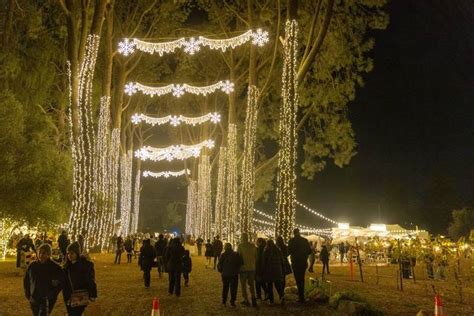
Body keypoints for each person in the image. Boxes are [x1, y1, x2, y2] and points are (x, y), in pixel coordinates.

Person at [24, 243, 64, 316]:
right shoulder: (32, 266)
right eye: (40, 253)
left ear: (49, 254)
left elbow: (61, 283)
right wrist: (28, 294)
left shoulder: (55, 268)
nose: (41, 255)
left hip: (47, 298)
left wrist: (53, 294)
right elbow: (26, 281)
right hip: (34, 297)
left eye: (44, 253)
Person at [63, 242, 97, 315]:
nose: (69, 255)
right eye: (68, 253)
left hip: (81, 294)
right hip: (68, 295)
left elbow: (90, 280)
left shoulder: (86, 265)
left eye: (72, 253)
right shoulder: (66, 267)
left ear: (77, 253)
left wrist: (92, 294)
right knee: (71, 313)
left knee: (76, 313)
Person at [288, 228, 312, 303]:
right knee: (302, 278)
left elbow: (288, 252)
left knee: (298, 279)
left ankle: (301, 297)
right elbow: (309, 251)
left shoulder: (291, 241)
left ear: (293, 233)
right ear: (299, 232)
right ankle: (302, 296)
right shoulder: (304, 240)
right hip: (303, 262)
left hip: (295, 262)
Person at [218, 243, 242, 307]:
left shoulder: (223, 255)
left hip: (225, 274)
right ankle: (232, 302)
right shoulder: (236, 254)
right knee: (233, 288)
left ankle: (224, 301)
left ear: (225, 248)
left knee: (225, 287)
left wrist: (221, 271)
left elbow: (219, 265)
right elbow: (240, 263)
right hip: (234, 274)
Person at [237, 233, 257, 307]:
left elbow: (238, 256)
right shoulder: (252, 246)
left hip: (243, 268)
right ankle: (254, 299)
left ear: (242, 238)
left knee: (243, 285)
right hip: (252, 268)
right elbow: (256, 256)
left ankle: (246, 299)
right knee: (252, 285)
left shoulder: (240, 246)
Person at [263, 240, 285, 305]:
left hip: (269, 270)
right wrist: (283, 269)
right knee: (277, 284)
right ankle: (281, 295)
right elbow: (282, 260)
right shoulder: (278, 250)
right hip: (278, 269)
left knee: (269, 285)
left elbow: (264, 261)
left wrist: (263, 270)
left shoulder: (266, 251)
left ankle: (271, 300)